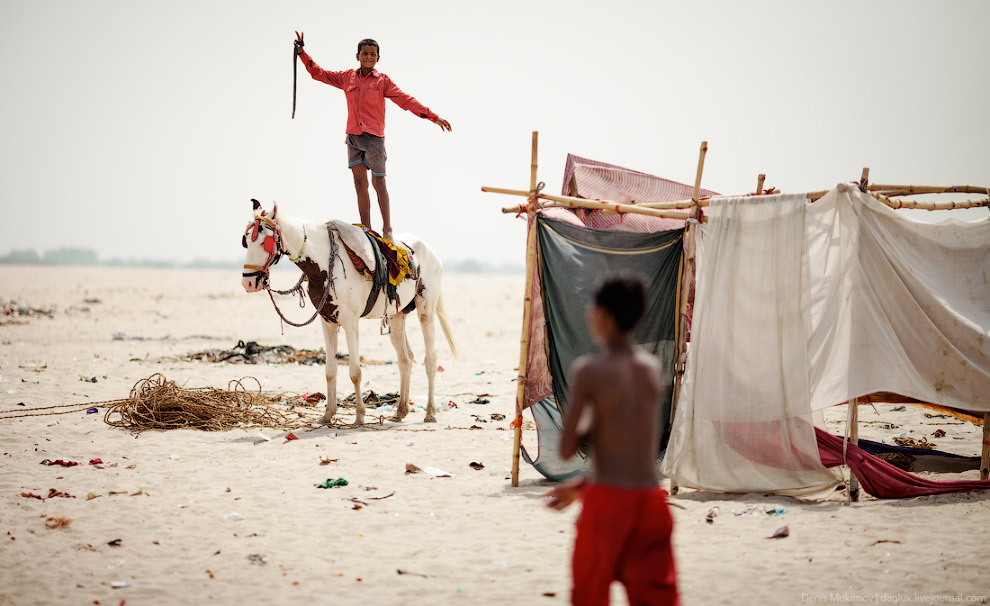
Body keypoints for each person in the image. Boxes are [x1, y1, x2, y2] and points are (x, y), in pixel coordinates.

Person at [545, 275, 679, 606]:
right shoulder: (649, 369)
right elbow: (635, 453)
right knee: (656, 596)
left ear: (603, 315)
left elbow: (564, 449)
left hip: (606, 506)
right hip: (650, 501)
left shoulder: (589, 371)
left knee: (590, 595)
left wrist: (591, 419)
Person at [293, 32, 452, 242]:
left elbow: (406, 100)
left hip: (375, 139)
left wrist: (432, 117)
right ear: (357, 56)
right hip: (353, 137)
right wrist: (302, 52)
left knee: (379, 184)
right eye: (365, 53)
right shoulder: (346, 77)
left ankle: (387, 228)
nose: (368, 57)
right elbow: (318, 73)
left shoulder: (382, 82)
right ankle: (367, 229)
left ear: (378, 58)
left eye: (372, 54)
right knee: (360, 184)